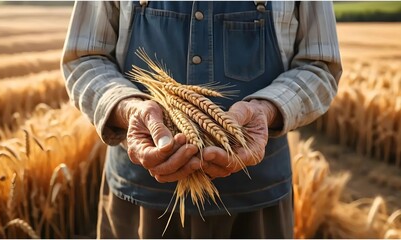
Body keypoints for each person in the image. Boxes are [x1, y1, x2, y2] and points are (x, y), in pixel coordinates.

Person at [61, 1, 342, 238]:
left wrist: (266, 109)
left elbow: (319, 64)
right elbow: (85, 57)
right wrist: (129, 108)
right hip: (139, 199)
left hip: (257, 200)